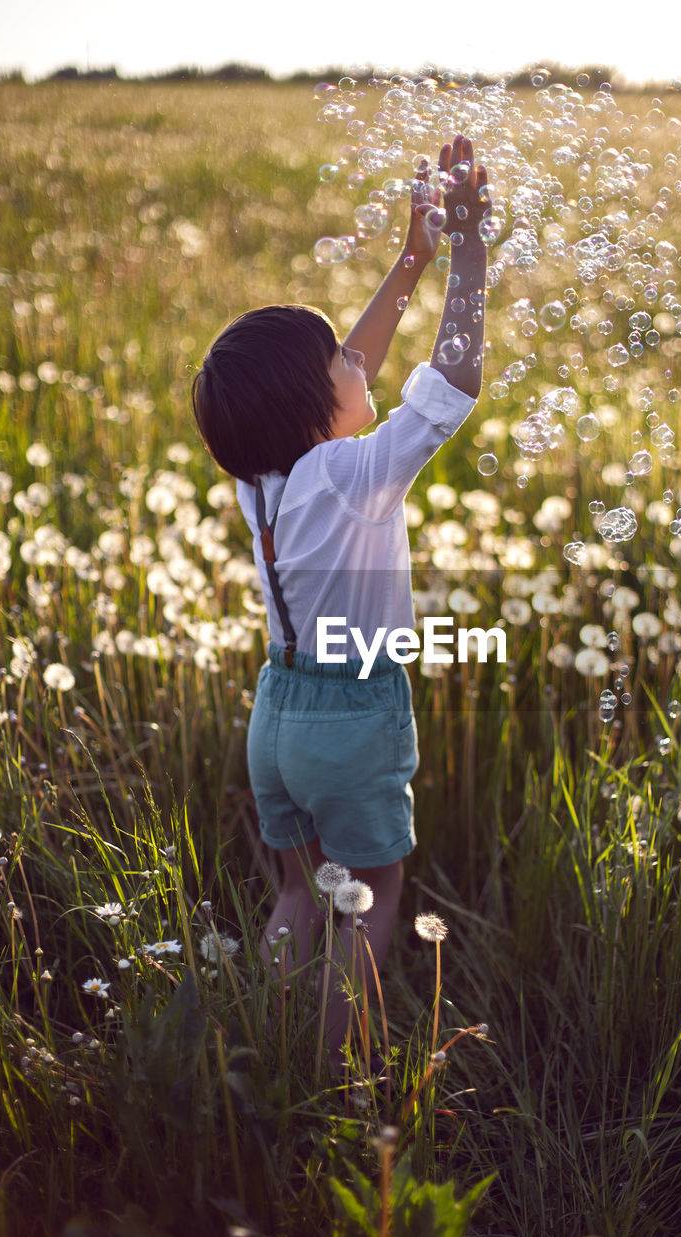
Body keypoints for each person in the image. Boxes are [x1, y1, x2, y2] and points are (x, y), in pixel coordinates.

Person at [191, 135, 488, 1068]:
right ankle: (320, 1072)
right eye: (342, 365)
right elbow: (451, 385)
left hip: (277, 713)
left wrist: (413, 256)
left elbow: (343, 370)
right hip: (354, 714)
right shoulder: (358, 473)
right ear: (321, 404)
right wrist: (472, 247)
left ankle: (260, 1039)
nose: (360, 365)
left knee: (296, 896)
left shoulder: (265, 476)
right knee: (372, 900)